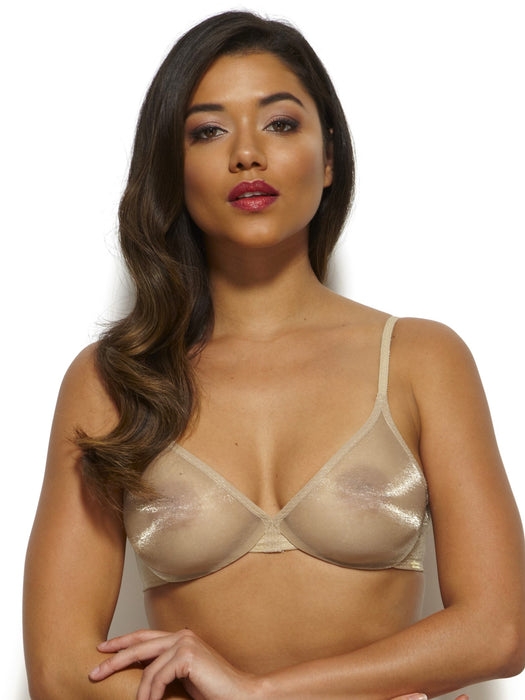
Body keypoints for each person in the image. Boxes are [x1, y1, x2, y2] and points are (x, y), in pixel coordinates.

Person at [23, 10, 525, 700]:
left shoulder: (420, 359)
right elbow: (59, 671)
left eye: (280, 123)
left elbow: (498, 630)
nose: (247, 154)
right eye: (207, 131)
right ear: (173, 169)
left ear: (328, 159)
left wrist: (257, 692)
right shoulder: (113, 380)